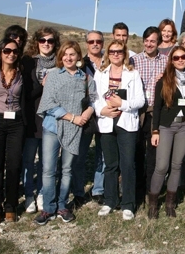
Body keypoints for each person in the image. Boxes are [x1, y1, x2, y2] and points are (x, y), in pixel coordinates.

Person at [33, 41, 97, 225]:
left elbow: (93, 100)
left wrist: (87, 113)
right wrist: (71, 117)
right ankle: (48, 208)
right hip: (53, 128)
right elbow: (48, 104)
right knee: (48, 169)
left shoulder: (86, 78)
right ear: (61, 57)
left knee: (67, 169)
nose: (69, 58)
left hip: (74, 129)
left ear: (78, 57)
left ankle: (62, 205)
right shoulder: (53, 76)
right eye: (65, 54)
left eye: (72, 54)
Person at [94, 40, 145, 220]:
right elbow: (94, 97)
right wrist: (102, 110)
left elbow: (140, 100)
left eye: (120, 51)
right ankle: (110, 200)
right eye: (113, 51)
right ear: (108, 54)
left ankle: (128, 204)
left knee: (128, 164)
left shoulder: (133, 74)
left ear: (125, 54)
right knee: (110, 164)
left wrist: (121, 104)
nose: (116, 54)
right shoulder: (100, 74)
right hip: (107, 121)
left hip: (126, 123)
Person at [147, 46, 185, 219]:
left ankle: (170, 203)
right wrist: (155, 130)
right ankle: (152, 204)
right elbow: (157, 108)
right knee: (161, 166)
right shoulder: (164, 80)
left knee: (177, 165)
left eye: (183, 57)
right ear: (171, 61)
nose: (180, 60)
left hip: (184, 127)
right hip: (166, 126)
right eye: (176, 58)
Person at [0, 38, 26, 224]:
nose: (11, 54)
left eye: (15, 51)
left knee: (14, 164)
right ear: (0, 51)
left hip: (16, 122)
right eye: (7, 50)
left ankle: (11, 205)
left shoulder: (22, 73)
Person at [21, 27, 61, 214]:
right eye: (42, 40)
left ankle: (43, 194)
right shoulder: (28, 63)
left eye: (50, 40)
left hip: (52, 119)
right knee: (29, 160)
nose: (46, 43)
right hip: (32, 118)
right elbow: (24, 93)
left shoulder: (61, 63)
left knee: (48, 161)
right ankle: (29, 193)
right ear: (36, 42)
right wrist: (42, 86)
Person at [131, 27, 168, 204]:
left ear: (159, 42)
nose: (149, 44)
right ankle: (137, 189)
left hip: (156, 112)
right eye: (146, 40)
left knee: (153, 154)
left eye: (153, 41)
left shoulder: (167, 62)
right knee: (137, 152)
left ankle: (150, 190)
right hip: (138, 112)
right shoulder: (134, 60)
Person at [70, 31, 106, 208]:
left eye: (98, 41)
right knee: (80, 154)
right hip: (85, 115)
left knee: (103, 154)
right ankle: (78, 191)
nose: (95, 44)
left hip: (106, 113)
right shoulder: (79, 64)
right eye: (91, 41)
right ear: (86, 44)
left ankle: (98, 189)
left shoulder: (111, 60)